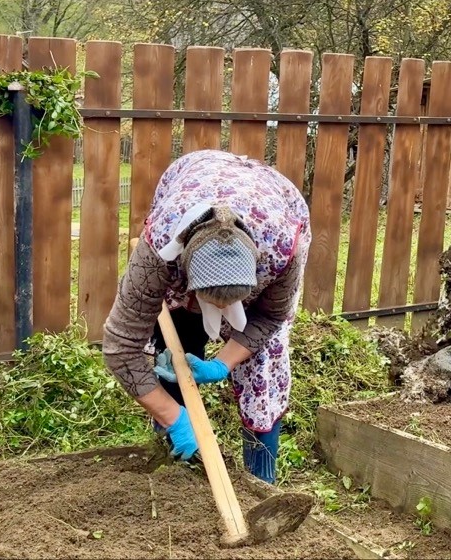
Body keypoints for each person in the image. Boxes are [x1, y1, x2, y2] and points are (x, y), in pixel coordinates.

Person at [102, 149, 310, 483]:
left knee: (265, 365)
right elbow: (120, 345)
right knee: (175, 351)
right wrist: (174, 416)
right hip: (191, 183)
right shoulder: (160, 248)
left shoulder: (283, 247)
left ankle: (261, 481)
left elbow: (270, 317)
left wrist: (223, 364)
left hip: (275, 203)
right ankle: (178, 466)